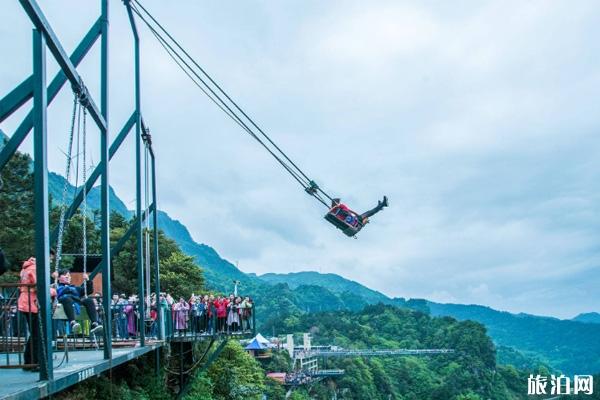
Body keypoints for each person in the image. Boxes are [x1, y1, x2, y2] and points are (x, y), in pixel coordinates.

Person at [18, 250, 57, 371]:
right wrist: (53, 291)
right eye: (50, 258)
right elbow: (38, 287)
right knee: (37, 334)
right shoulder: (35, 268)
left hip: (25, 301)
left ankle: (29, 361)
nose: (50, 261)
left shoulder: (27, 267)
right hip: (31, 303)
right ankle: (35, 362)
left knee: (34, 334)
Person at [55, 269, 102, 334]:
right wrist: (53, 278)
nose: (68, 277)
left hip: (75, 302)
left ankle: (94, 323)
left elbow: (89, 291)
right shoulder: (56, 286)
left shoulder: (75, 288)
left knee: (89, 300)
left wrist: (88, 280)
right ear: (59, 277)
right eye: (65, 275)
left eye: (69, 275)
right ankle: (72, 322)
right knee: (67, 299)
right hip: (64, 302)